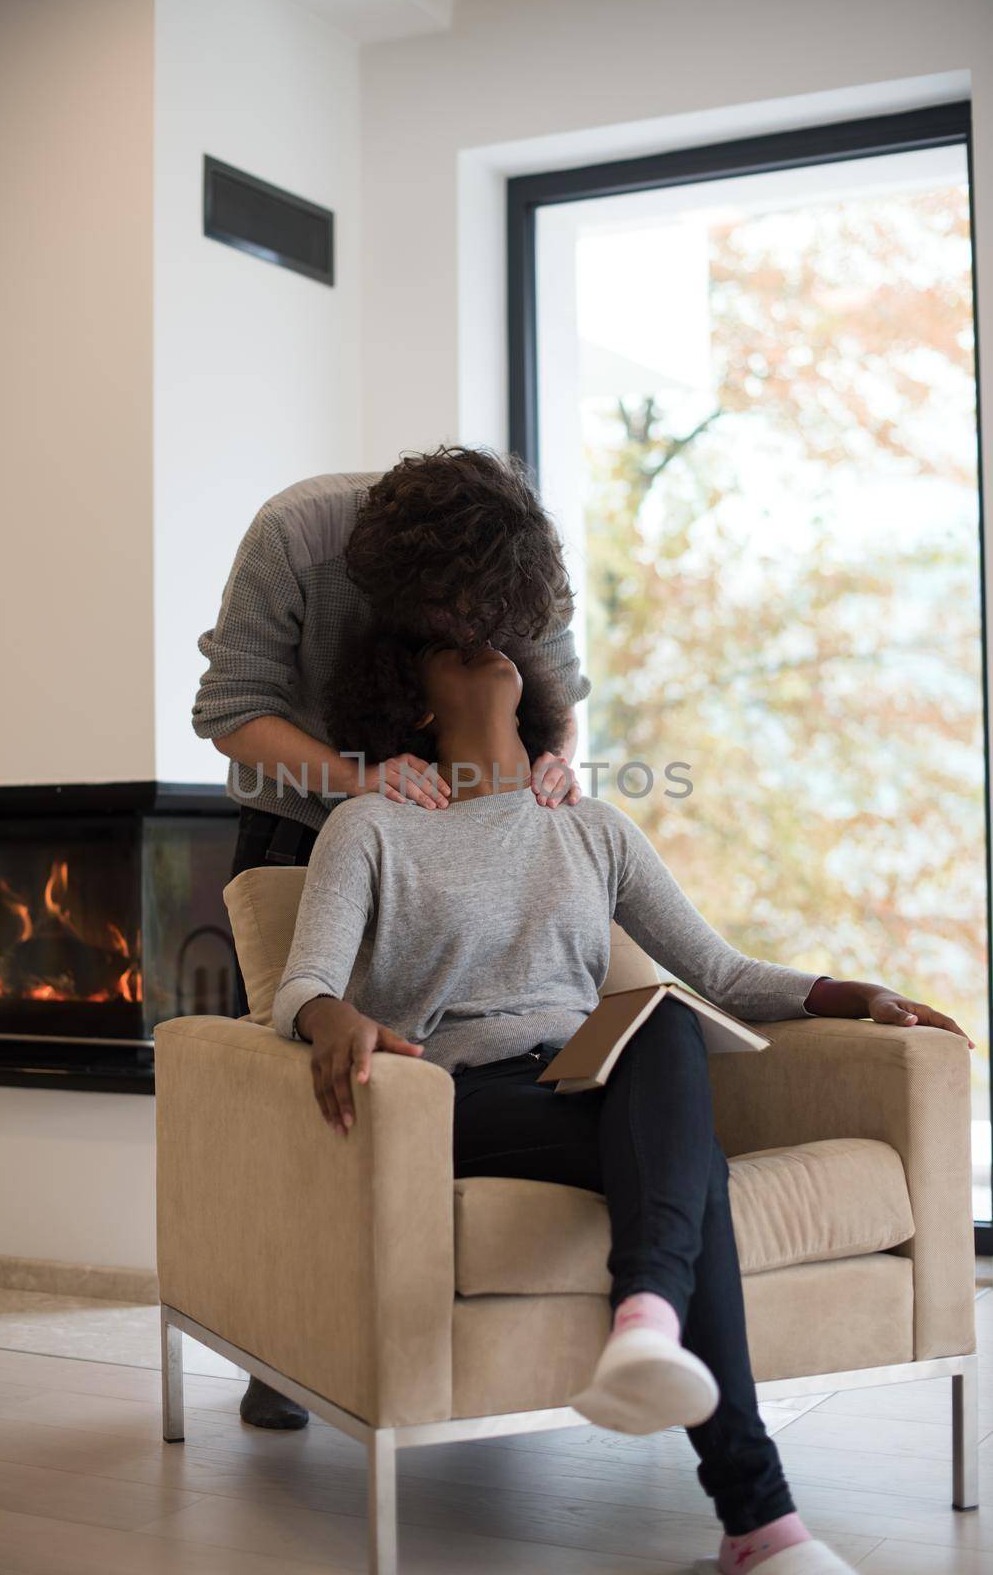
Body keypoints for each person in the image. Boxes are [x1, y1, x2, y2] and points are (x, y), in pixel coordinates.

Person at [271, 631, 971, 1575]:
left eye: (495, 634)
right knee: (696, 1175)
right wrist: (333, 1019)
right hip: (462, 1098)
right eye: (448, 646)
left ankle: (649, 1323)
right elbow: (303, 982)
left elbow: (718, 970)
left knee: (667, 1023)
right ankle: (761, 1523)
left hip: (589, 1082)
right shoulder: (374, 827)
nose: (484, 645)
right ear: (418, 705)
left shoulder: (592, 827)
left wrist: (850, 994)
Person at [192, 445, 590, 1429]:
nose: (478, 642)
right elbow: (230, 712)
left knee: (429, 1056)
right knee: (312, 1078)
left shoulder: (517, 569)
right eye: (458, 626)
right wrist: (356, 782)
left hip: (466, 827)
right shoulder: (299, 537)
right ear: (407, 592)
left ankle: (441, 1299)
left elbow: (562, 709)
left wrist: (547, 773)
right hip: (305, 817)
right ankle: (289, 1337)